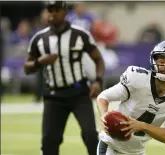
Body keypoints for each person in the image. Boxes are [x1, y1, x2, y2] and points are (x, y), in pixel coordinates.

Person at [24, 1, 105, 155]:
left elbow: (98, 59)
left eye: (57, 10)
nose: (53, 13)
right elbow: (27, 68)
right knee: (49, 140)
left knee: (90, 135)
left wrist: (97, 81)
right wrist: (40, 61)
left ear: (65, 12)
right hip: (54, 96)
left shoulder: (80, 35)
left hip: (79, 93)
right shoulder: (39, 38)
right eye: (50, 10)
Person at [96, 40, 165, 155]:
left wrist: (142, 126)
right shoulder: (137, 79)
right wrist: (104, 116)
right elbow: (103, 97)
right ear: (154, 61)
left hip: (137, 152)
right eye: (161, 61)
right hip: (111, 146)